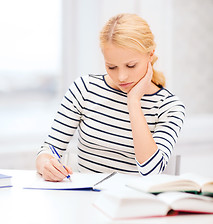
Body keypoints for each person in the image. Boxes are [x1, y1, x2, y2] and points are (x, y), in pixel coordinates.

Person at [36, 13, 185, 182]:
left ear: (150, 55)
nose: (121, 77)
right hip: (85, 200)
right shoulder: (85, 89)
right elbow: (49, 149)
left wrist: (134, 102)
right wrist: (46, 165)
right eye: (111, 66)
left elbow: (151, 171)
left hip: (135, 204)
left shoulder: (170, 107)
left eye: (131, 65)